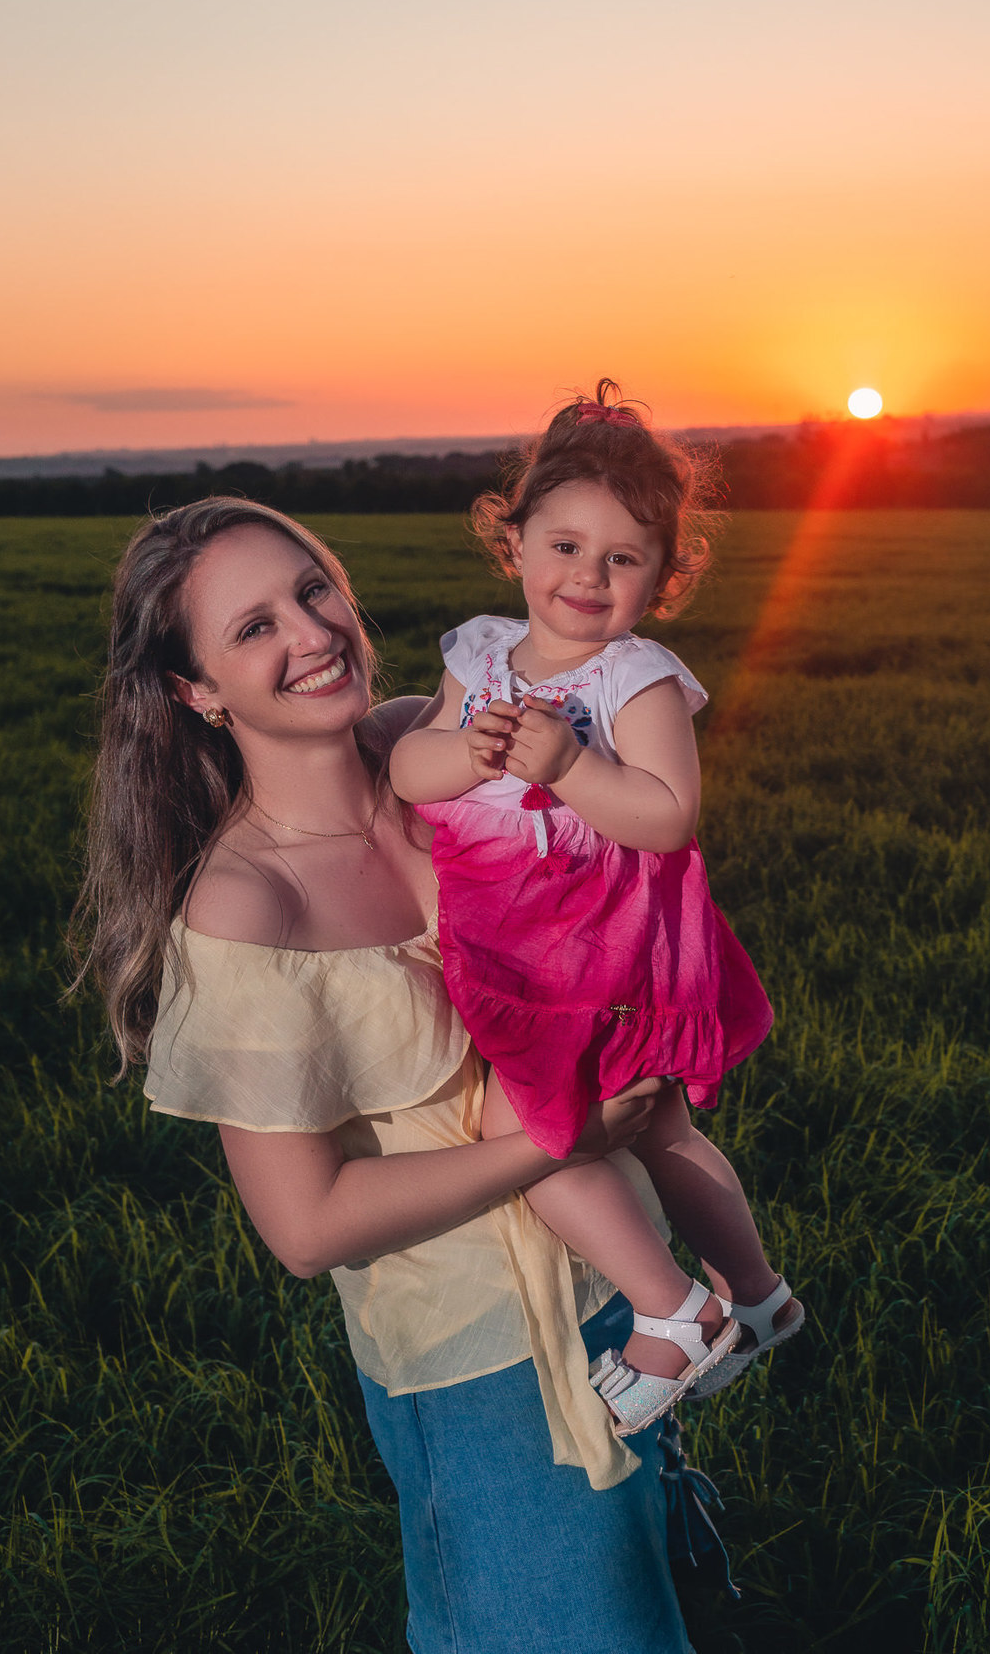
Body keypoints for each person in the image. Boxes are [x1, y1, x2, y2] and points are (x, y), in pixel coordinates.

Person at [73, 495, 709, 1654]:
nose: (309, 635)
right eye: (253, 627)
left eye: (313, 591)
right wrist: (560, 1138)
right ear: (197, 691)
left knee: (656, 1614)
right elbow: (306, 1228)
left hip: (622, 1290)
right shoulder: (246, 903)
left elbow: (628, 875)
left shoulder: (440, 748)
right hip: (479, 1368)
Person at [389, 381, 804, 1438]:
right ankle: (757, 1294)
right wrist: (461, 748)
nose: (588, 577)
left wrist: (570, 762)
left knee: (528, 1133)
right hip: (513, 941)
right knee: (660, 1130)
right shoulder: (476, 657)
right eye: (565, 546)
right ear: (514, 541)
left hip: (601, 951)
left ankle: (676, 1317)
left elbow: (668, 819)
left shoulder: (638, 678)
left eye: (623, 559)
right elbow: (407, 765)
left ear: (665, 576)